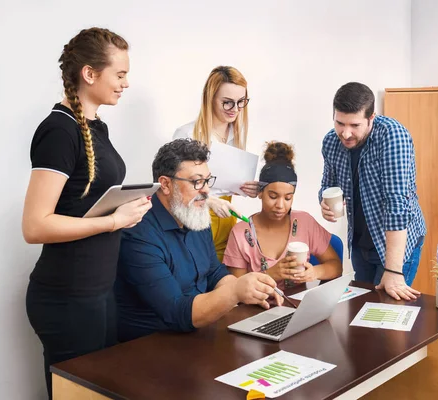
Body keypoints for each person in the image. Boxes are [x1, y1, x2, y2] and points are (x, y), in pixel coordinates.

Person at [22, 28, 152, 397]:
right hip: (67, 297)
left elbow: (81, 202)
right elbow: (35, 225)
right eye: (120, 74)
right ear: (90, 74)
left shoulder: (96, 128)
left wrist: (126, 207)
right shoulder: (59, 131)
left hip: (98, 290)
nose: (126, 83)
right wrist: (113, 221)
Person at [114, 138, 281, 341]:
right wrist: (235, 292)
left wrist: (251, 291)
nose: (206, 191)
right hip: (149, 345)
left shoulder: (194, 214)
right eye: (197, 182)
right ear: (166, 184)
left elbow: (213, 272)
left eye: (208, 180)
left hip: (199, 333)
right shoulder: (138, 233)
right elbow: (177, 312)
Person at [319, 82, 426, 301]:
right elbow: (327, 186)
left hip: (397, 245)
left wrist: (394, 270)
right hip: (360, 245)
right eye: (340, 123)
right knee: (362, 309)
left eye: (354, 125)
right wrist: (323, 202)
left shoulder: (392, 137)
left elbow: (396, 205)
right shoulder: (331, 141)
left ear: (371, 118)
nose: (345, 133)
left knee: (386, 313)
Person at [224, 142, 342, 290]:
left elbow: (336, 266)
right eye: (273, 196)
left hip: (297, 308)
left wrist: (314, 272)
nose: (280, 205)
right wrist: (270, 274)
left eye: (288, 198)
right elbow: (236, 290)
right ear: (260, 192)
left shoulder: (305, 223)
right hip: (257, 310)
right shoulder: (241, 233)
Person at [173, 66, 259, 261]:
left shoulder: (239, 135)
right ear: (210, 98)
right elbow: (173, 187)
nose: (235, 109)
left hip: (227, 219)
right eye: (227, 103)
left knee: (223, 277)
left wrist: (250, 188)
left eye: (241, 102)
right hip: (195, 218)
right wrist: (209, 201)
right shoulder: (187, 135)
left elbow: (229, 184)